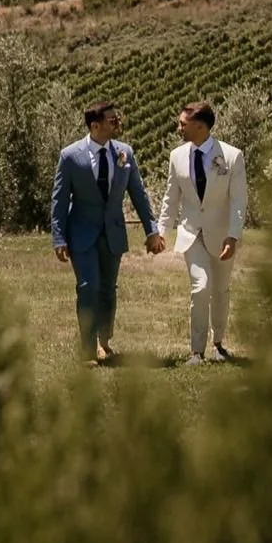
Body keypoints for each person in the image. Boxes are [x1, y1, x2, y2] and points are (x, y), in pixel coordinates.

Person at [50, 101, 161, 364]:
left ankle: (104, 341)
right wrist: (59, 237)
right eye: (112, 119)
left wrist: (152, 230)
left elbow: (139, 195)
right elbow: (59, 199)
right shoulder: (70, 156)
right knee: (88, 287)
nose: (117, 122)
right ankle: (87, 350)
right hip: (81, 234)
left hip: (112, 234)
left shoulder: (125, 154)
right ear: (95, 125)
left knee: (108, 290)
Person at [158, 100, 247, 364]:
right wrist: (161, 231)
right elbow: (170, 197)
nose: (178, 128)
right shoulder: (177, 156)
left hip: (222, 235)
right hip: (191, 233)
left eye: (183, 124)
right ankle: (196, 351)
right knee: (201, 286)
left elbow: (238, 200)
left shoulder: (232, 156)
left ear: (199, 126)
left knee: (220, 290)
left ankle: (217, 343)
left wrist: (233, 235)